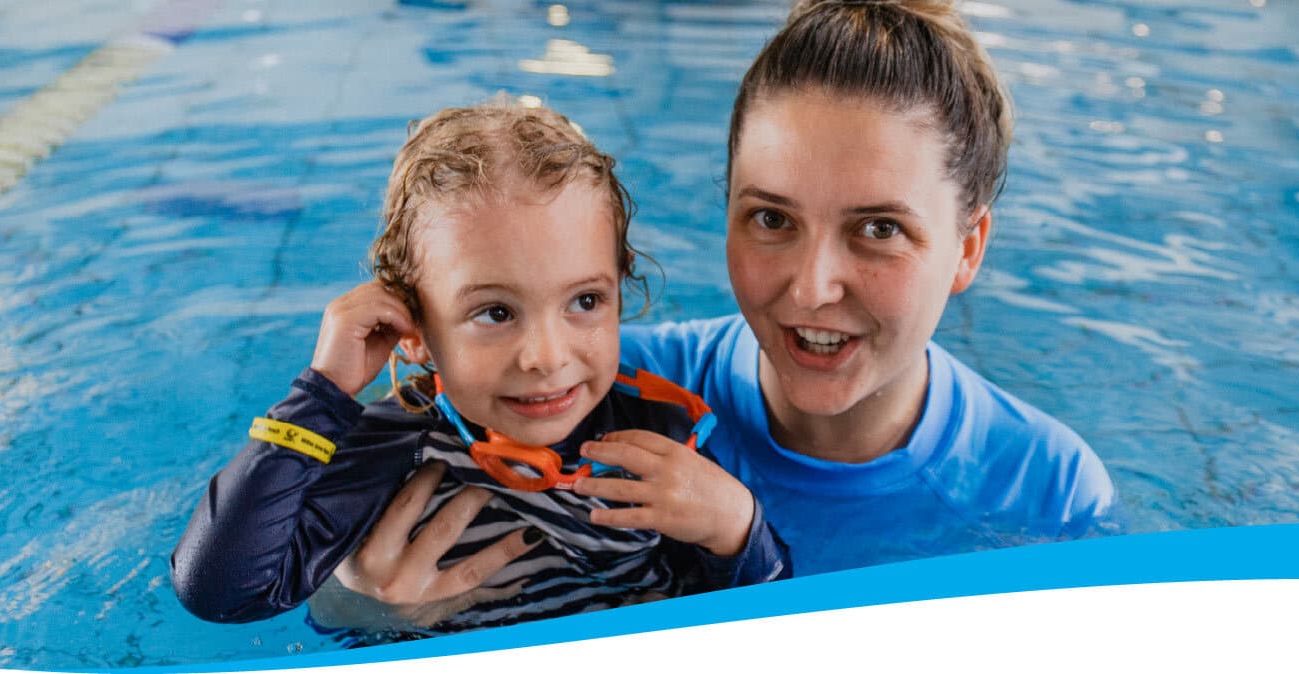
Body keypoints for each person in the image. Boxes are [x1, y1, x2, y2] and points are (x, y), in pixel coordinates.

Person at [332, 0, 1116, 619]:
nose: (810, 289)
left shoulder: (1047, 494)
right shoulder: (586, 395)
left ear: (967, 249)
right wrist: (359, 608)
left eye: (879, 230)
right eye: (771, 218)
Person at [169, 99, 789, 635]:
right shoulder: (390, 450)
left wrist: (737, 529)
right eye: (495, 312)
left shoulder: (658, 434)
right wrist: (322, 394)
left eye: (585, 301)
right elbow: (219, 592)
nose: (547, 356)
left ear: (619, 288)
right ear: (413, 329)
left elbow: (767, 617)